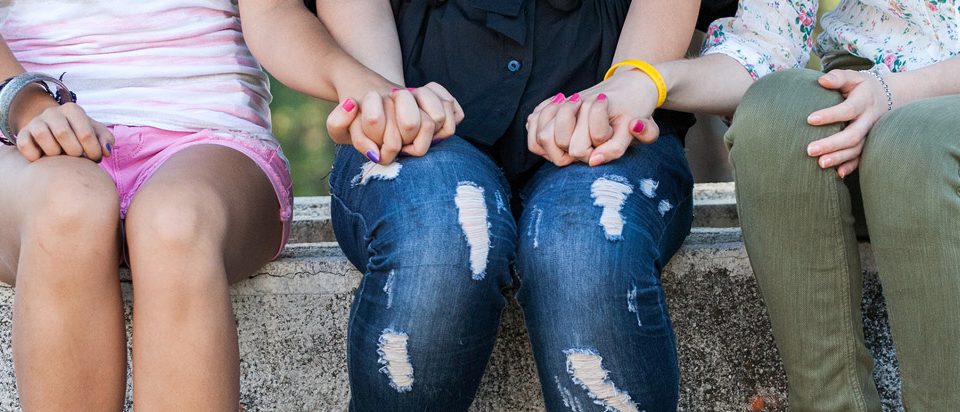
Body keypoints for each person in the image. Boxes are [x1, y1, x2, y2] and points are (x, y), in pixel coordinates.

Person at [261, 0, 701, 409]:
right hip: (409, 95)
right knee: (441, 241)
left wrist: (625, 87)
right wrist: (384, 100)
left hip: (619, 100)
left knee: (586, 249)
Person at [557, 1, 960, 410]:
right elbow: (759, 48)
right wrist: (650, 81)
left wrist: (895, 93)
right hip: (862, 96)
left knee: (913, 147)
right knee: (774, 109)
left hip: (929, 123)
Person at [0, 1, 297, 409]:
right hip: (26, 139)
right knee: (66, 208)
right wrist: (27, 104)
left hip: (210, 135)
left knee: (176, 223)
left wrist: (362, 86)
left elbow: (279, 14)